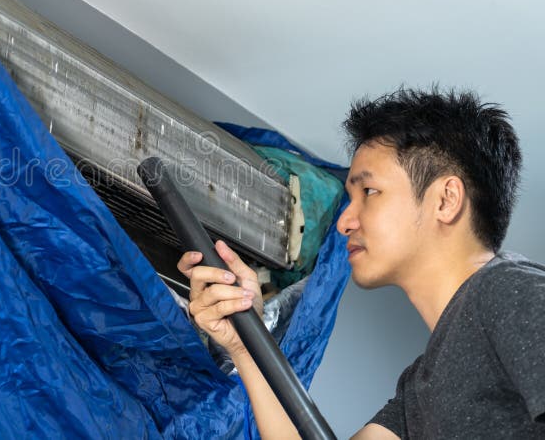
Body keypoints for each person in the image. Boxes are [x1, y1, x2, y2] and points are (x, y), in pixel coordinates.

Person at [178, 87, 545, 439]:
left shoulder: (507, 292)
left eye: (369, 191)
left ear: (446, 200)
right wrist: (247, 345)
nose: (344, 222)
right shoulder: (420, 388)